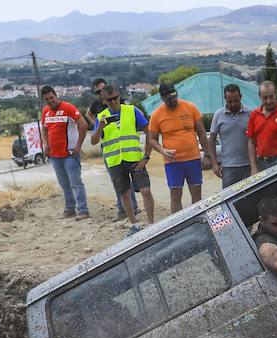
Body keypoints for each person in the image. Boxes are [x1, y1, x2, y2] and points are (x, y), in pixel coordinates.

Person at [90, 84, 155, 238]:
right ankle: (134, 224)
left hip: (134, 158)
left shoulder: (132, 110)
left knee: (145, 190)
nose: (113, 102)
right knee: (124, 194)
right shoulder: (101, 117)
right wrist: (100, 127)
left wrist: (146, 156)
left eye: (115, 98)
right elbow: (93, 141)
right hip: (115, 161)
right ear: (104, 100)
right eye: (109, 99)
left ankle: (152, 223)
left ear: (119, 96)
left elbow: (149, 131)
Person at [148, 82, 210, 214]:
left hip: (193, 158)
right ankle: (177, 225)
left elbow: (202, 132)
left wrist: (207, 154)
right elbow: (152, 140)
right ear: (162, 98)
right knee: (175, 194)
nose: (172, 100)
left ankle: (198, 219)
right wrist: (163, 151)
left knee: (196, 191)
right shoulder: (157, 115)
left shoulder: (190, 107)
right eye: (168, 98)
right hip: (172, 162)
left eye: (174, 96)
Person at [86, 77, 140, 221]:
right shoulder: (96, 105)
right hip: (111, 150)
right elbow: (89, 115)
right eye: (99, 91)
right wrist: (97, 126)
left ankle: (133, 208)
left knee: (131, 183)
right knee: (119, 183)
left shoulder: (121, 103)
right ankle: (123, 210)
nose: (102, 93)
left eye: (103, 89)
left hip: (128, 149)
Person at [40, 85, 90, 220]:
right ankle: (69, 209)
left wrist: (78, 146)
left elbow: (83, 125)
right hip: (55, 155)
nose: (51, 101)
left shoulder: (68, 108)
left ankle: (83, 210)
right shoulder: (46, 111)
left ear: (56, 95)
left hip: (69, 154)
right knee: (64, 183)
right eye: (47, 100)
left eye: (52, 98)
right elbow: (44, 130)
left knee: (76, 183)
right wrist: (46, 146)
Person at [208, 84, 251, 189]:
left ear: (240, 97)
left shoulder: (250, 113)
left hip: (249, 165)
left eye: (236, 100)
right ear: (225, 99)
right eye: (230, 101)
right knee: (229, 199)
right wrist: (214, 164)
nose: (233, 104)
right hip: (228, 168)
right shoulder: (218, 115)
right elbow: (211, 139)